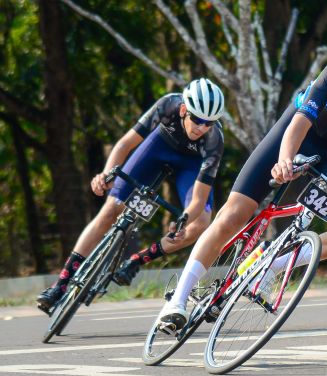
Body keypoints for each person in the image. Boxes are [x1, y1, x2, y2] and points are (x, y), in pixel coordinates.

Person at [158, 34, 327, 328]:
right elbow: (301, 121)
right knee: (233, 214)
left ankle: (272, 261)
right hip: (292, 135)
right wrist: (285, 160)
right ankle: (177, 300)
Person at [36, 78, 226, 313]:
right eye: (197, 119)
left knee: (200, 224)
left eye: (209, 123)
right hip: (160, 147)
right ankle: (61, 284)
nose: (201, 127)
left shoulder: (214, 140)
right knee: (110, 210)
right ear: (184, 110)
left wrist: (183, 219)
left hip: (192, 164)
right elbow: (125, 145)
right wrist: (106, 175)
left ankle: (137, 260)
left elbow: (198, 199)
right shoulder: (167, 105)